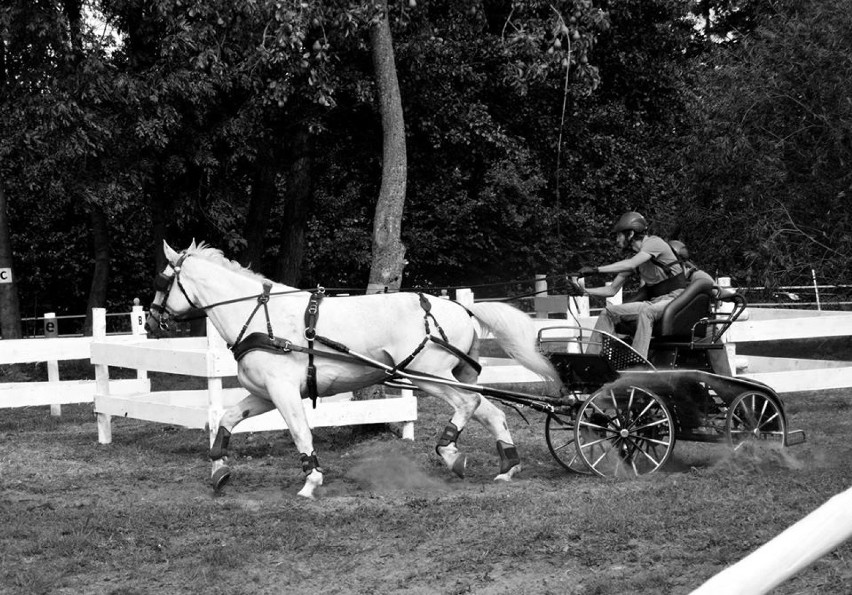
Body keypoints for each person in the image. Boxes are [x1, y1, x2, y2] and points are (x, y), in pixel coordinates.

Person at [570, 211, 687, 358]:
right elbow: (612, 289)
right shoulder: (636, 259)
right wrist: (583, 291)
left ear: (630, 234)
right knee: (608, 312)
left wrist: (595, 270)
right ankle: (591, 361)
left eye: (619, 235)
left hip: (676, 299)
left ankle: (637, 362)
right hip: (655, 302)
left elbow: (630, 264)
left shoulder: (654, 242)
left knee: (646, 312)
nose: (617, 239)